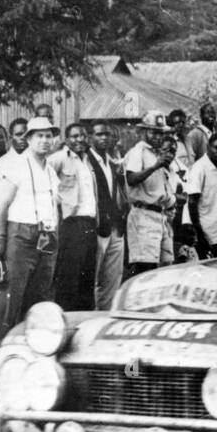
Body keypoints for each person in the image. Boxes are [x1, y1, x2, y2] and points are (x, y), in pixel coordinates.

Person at [0, 116, 60, 352]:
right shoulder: (16, 166)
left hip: (46, 236)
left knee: (39, 295)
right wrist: (0, 239)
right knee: (11, 295)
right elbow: (1, 208)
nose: (45, 141)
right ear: (28, 139)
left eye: (49, 136)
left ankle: (29, 348)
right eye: (39, 135)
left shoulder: (50, 170)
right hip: (20, 234)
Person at [47, 123, 98, 310]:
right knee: (70, 275)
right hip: (71, 223)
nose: (80, 139)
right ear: (67, 140)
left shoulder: (88, 161)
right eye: (75, 136)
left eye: (83, 135)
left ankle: (83, 317)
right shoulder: (59, 158)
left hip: (90, 223)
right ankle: (65, 315)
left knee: (87, 275)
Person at [123, 112, 175, 279]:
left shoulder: (156, 154)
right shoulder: (138, 151)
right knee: (146, 268)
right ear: (143, 132)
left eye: (160, 133)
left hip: (160, 215)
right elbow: (131, 178)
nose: (158, 137)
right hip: (143, 213)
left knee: (165, 265)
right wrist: (154, 166)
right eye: (153, 132)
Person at [88, 122, 126, 310]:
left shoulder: (111, 162)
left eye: (107, 135)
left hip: (116, 228)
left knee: (112, 278)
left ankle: (104, 316)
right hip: (97, 227)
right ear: (90, 137)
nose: (104, 138)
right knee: (93, 277)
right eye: (99, 134)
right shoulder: (86, 160)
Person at [187, 132, 217, 258]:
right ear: (208, 147)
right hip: (203, 230)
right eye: (216, 148)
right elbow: (192, 202)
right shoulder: (200, 167)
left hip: (215, 229)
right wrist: (200, 235)